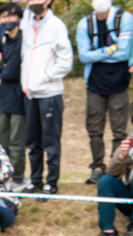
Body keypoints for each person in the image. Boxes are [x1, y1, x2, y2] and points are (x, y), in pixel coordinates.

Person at [21, 0, 72, 201]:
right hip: (30, 94)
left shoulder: (56, 26)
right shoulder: (27, 23)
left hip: (49, 93)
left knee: (50, 140)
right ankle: (35, 180)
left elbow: (65, 61)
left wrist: (44, 76)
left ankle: (51, 182)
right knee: (32, 141)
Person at [77, 0, 132, 185]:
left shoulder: (125, 18)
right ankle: (97, 167)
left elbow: (124, 53)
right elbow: (84, 56)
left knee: (119, 129)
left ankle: (115, 169)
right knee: (94, 128)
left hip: (120, 83)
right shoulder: (85, 23)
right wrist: (111, 48)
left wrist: (98, 53)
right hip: (95, 83)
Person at [0, 3, 28, 190]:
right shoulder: (2, 38)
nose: (7, 20)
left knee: (16, 142)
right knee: (2, 142)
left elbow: (12, 71)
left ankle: (18, 177)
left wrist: (1, 65)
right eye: (3, 16)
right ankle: (2, 176)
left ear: (19, 17)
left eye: (11, 16)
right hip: (3, 98)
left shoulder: (23, 39)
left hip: (19, 97)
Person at [92, 134, 133, 236]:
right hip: (129, 199)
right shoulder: (128, 144)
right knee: (106, 181)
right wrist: (122, 157)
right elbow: (110, 172)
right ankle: (108, 232)